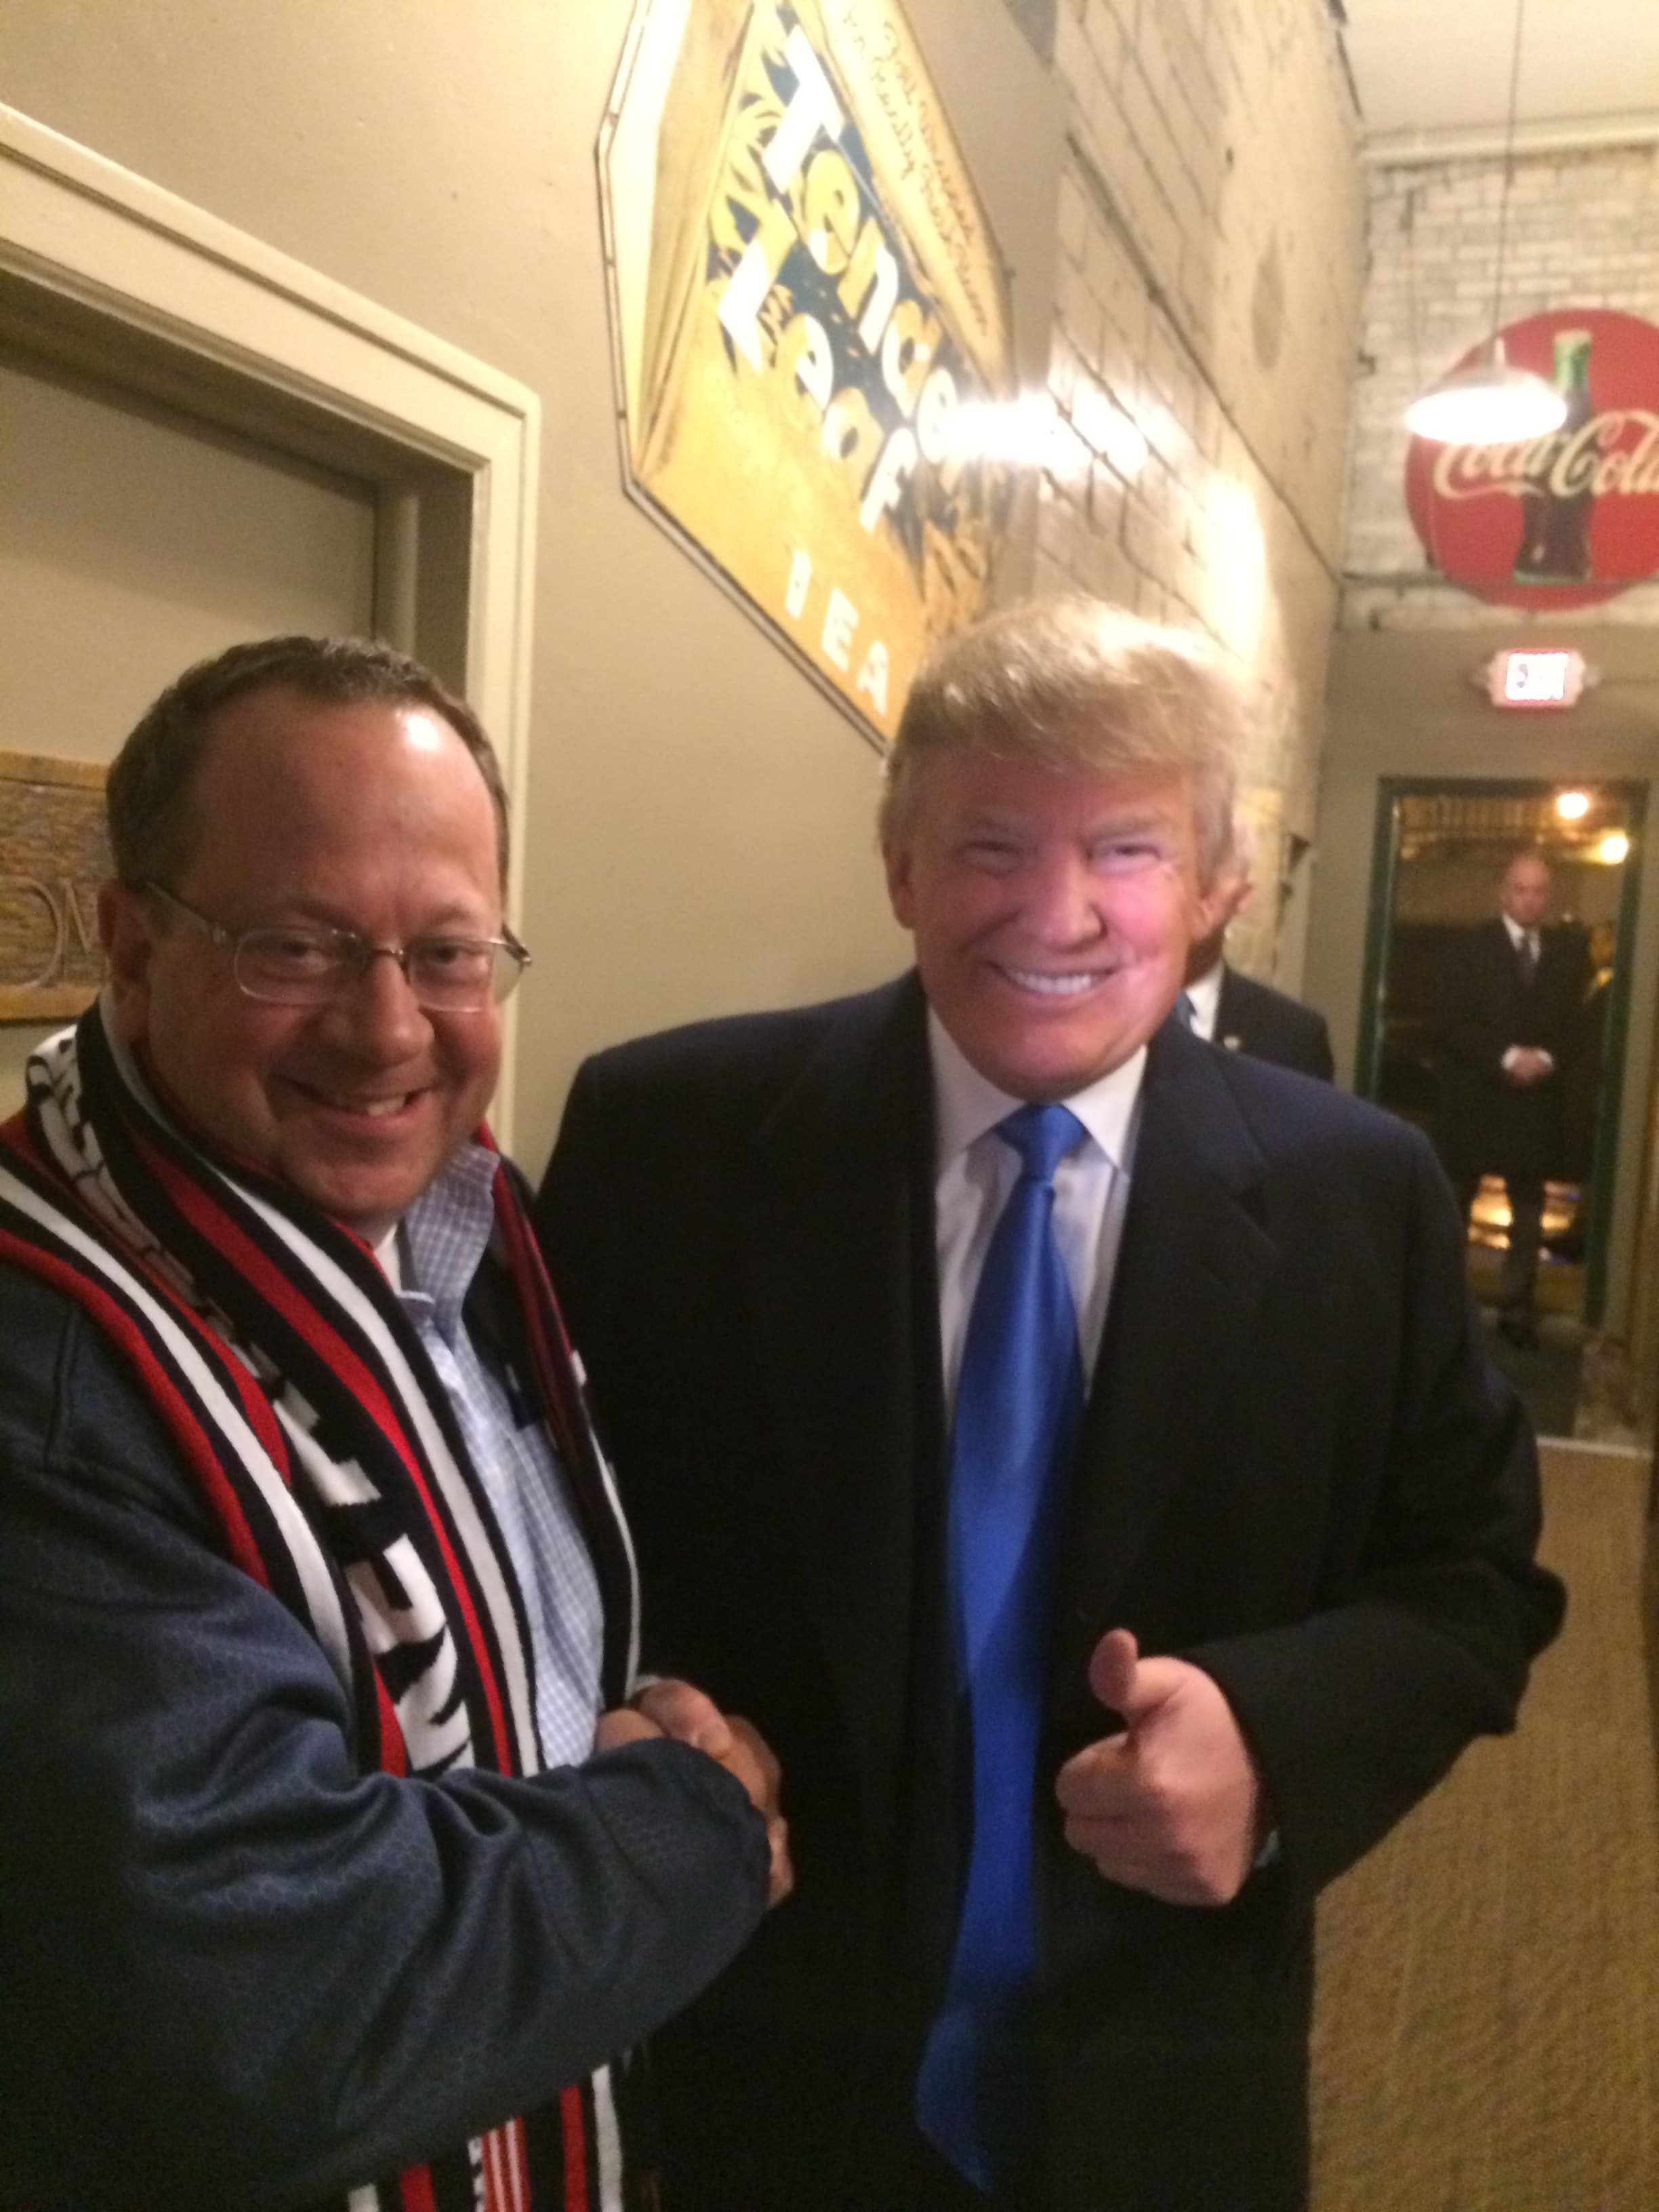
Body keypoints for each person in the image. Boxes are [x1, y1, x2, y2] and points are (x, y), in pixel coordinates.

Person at [535, 596, 1564, 2212]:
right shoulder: (665, 1136)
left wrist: (1276, 1745)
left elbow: (1474, 1576)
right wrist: (614, 1702)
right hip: (748, 2051)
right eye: (990, 842)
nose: (1057, 909)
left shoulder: (1359, 1199)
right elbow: (527, 1527)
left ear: (1216, 890)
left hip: (1165, 2070)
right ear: (898, 866)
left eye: (1129, 853)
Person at [0, 636, 789, 2212]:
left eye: (446, 952)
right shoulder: (53, 1370)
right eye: (293, 944)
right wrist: (698, 1818)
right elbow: (283, 2009)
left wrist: (629, 1726)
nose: (386, 1029)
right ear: (132, 946)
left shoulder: (462, 1223)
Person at [1433, 848, 1589, 1348]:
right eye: (1520, 889)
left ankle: (1517, 1307)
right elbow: (1450, 1021)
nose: (1529, 900)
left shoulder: (1565, 955)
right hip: (1477, 1096)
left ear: (1549, 897)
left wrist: (1544, 1057)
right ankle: (1449, 1306)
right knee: (1456, 1204)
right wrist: (1504, 1058)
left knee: (1528, 1212)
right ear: (1504, 893)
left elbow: (1575, 1026)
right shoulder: (1471, 948)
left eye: (1539, 890)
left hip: (1533, 1103)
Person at [1179, 829, 1334, 1078]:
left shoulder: (1292, 1034)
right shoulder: (1101, 1010)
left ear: (1242, 896)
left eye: (1212, 873)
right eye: (1182, 870)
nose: (1195, 889)